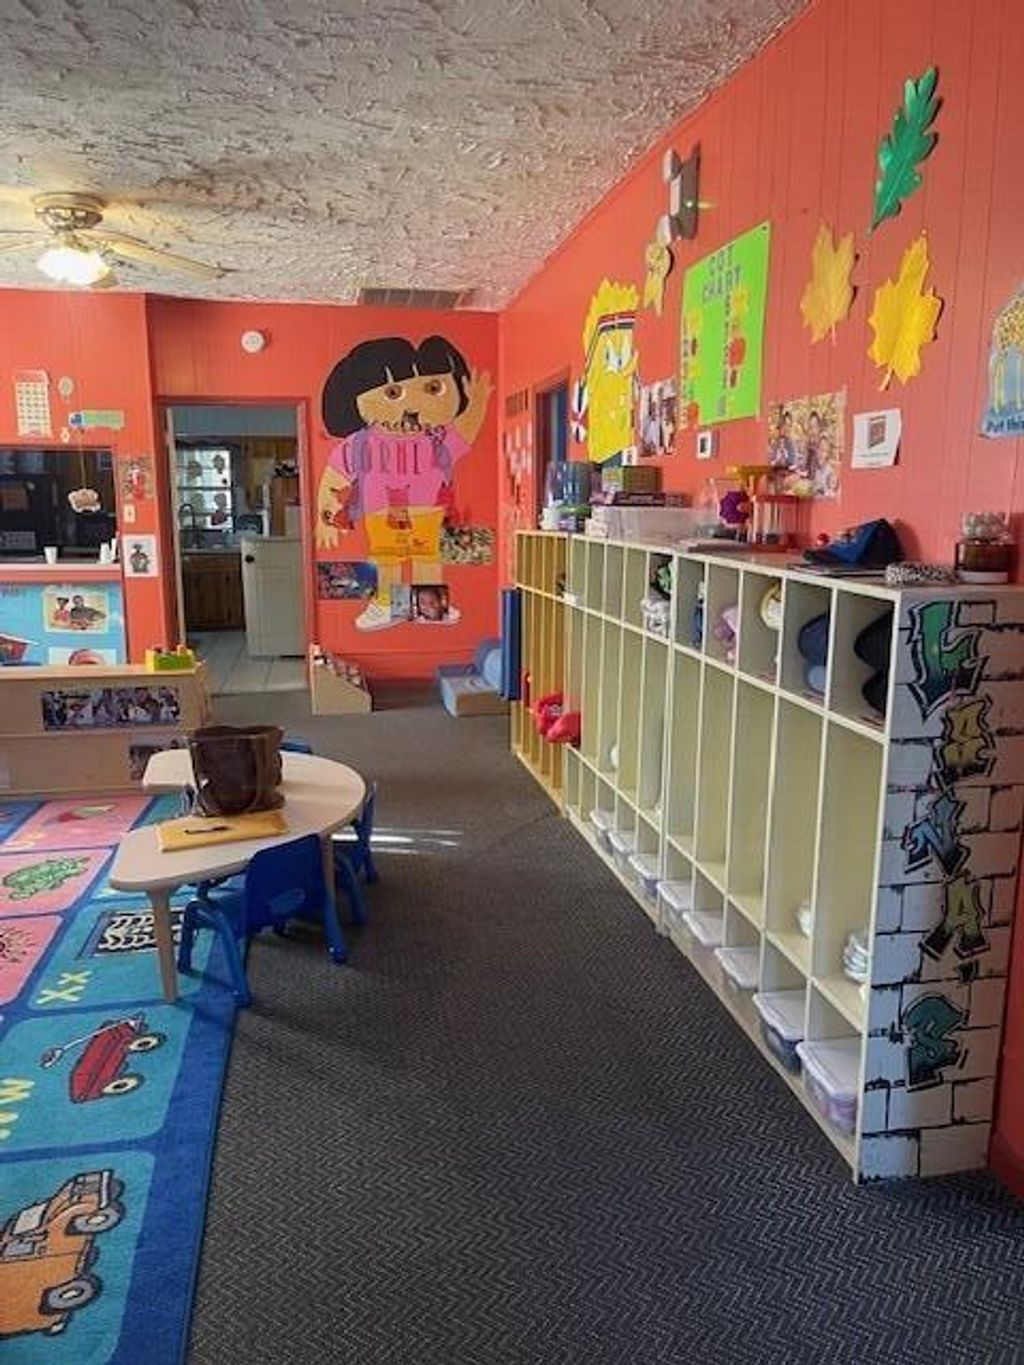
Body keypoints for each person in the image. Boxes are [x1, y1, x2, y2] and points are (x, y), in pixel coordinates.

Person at [317, 335, 491, 632]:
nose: (413, 403)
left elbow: (466, 433)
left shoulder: (436, 439)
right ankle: (390, 606)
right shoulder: (359, 444)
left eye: (432, 388)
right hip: (382, 512)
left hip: (426, 510)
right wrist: (325, 520)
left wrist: (477, 403)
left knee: (427, 558)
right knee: (387, 558)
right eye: (393, 392)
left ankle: (430, 608)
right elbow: (334, 477)